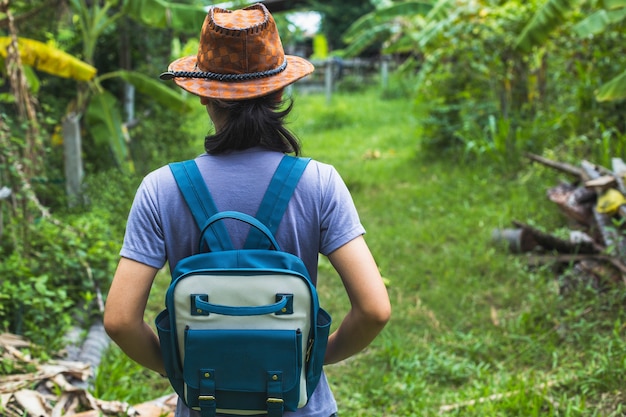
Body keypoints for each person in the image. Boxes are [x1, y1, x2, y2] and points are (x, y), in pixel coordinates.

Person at [103, 3, 391, 417]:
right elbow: (374, 309)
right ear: (279, 90)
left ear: (202, 93)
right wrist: (310, 361)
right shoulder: (319, 182)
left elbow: (119, 321)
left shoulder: (160, 189)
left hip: (204, 403)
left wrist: (185, 371)